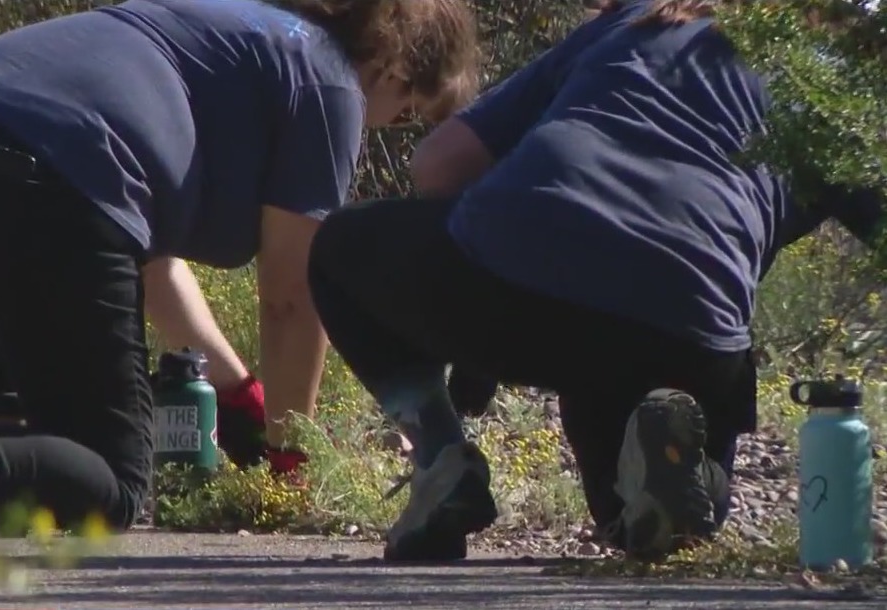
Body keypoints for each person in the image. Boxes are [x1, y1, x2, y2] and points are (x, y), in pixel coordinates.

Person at [0, 0, 479, 534]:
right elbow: (290, 295)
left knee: (31, 483)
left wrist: (238, 392)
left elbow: (148, 264)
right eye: (407, 114)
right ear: (395, 68)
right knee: (112, 487)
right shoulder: (329, 81)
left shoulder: (235, 29)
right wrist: (290, 458)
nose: (390, 126)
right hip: (43, 184)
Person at [307, 0, 886, 562]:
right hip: (693, 323)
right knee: (644, 512)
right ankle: (674, 465)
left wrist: (472, 316)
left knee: (339, 246)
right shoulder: (829, 90)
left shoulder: (641, 20)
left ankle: (441, 463)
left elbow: (439, 164)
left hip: (532, 293)